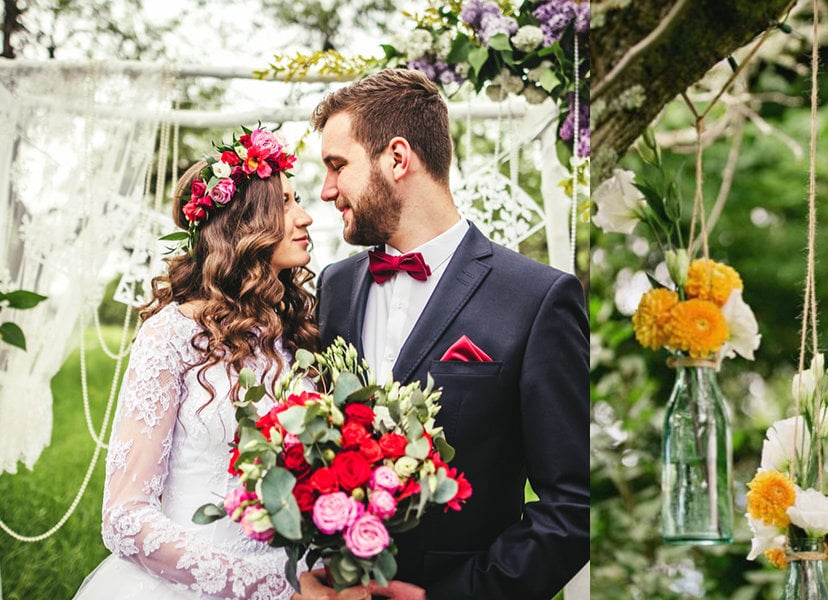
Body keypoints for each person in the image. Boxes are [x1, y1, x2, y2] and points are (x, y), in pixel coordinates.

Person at [301, 68, 589, 600]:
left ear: (397, 158)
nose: (326, 191)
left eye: (338, 166)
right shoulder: (335, 287)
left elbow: (573, 508)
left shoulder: (537, 297)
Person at [73, 129, 316, 599]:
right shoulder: (172, 335)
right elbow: (124, 517)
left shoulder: (295, 333)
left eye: (298, 199)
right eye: (284, 203)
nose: (304, 217)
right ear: (245, 224)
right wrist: (269, 586)